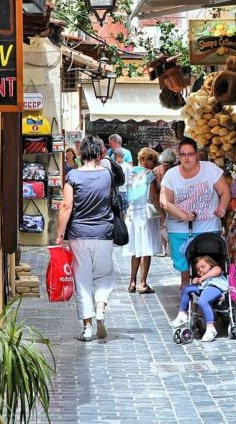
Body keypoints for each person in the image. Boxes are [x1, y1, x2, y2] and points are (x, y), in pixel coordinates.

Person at [56, 135, 114, 342]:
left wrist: (59, 234)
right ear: (99, 153)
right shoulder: (107, 174)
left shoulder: (72, 177)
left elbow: (66, 206)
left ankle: (87, 328)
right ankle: (100, 309)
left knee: (82, 279)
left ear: (81, 153)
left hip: (79, 234)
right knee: (104, 275)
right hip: (104, 233)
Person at [160, 137, 231, 288]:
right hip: (179, 228)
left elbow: (225, 192)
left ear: (197, 154)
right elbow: (165, 202)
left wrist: (222, 208)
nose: (186, 158)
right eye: (183, 154)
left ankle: (207, 296)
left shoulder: (210, 169)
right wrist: (184, 216)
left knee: (208, 267)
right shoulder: (171, 175)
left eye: (190, 154)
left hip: (208, 227)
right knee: (184, 269)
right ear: (178, 155)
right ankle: (186, 300)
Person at [123, 147, 163, 294]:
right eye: (153, 160)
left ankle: (132, 281)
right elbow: (153, 197)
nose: (154, 163)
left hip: (132, 213)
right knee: (146, 249)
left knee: (135, 249)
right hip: (145, 213)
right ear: (145, 160)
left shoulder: (131, 173)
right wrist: (163, 214)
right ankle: (142, 283)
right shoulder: (149, 175)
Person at [169, 255, 228, 343]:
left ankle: (210, 327)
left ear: (211, 264)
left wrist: (202, 278)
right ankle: (182, 314)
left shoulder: (215, 269)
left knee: (202, 301)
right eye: (198, 269)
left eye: (203, 267)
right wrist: (195, 281)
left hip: (215, 287)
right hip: (203, 287)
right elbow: (198, 283)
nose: (200, 270)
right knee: (187, 289)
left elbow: (216, 271)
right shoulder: (201, 278)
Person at [153, 148, 177, 256]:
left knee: (163, 223)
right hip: (174, 200)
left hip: (161, 198)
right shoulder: (177, 169)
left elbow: (154, 187)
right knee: (172, 222)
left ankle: (164, 248)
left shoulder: (157, 170)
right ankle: (170, 246)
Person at [113, 147, 132, 214]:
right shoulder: (113, 165)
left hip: (123, 191)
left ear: (119, 155)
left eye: (116, 155)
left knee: (124, 212)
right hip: (115, 192)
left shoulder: (127, 166)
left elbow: (130, 180)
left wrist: (130, 194)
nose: (114, 156)